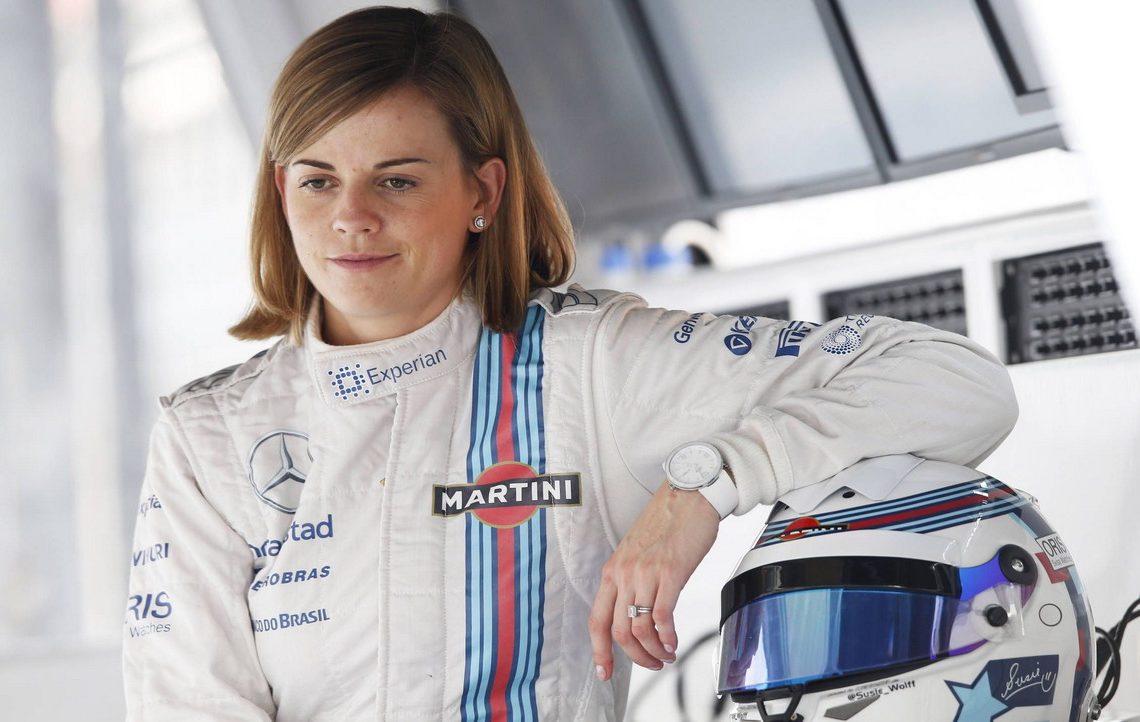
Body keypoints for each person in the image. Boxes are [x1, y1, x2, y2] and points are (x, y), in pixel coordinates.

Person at [122, 7, 1018, 721]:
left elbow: (953, 379)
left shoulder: (589, 362)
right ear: (281, 192)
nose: (351, 216)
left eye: (397, 179)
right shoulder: (209, 435)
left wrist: (702, 488)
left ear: (482, 191)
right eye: (318, 180)